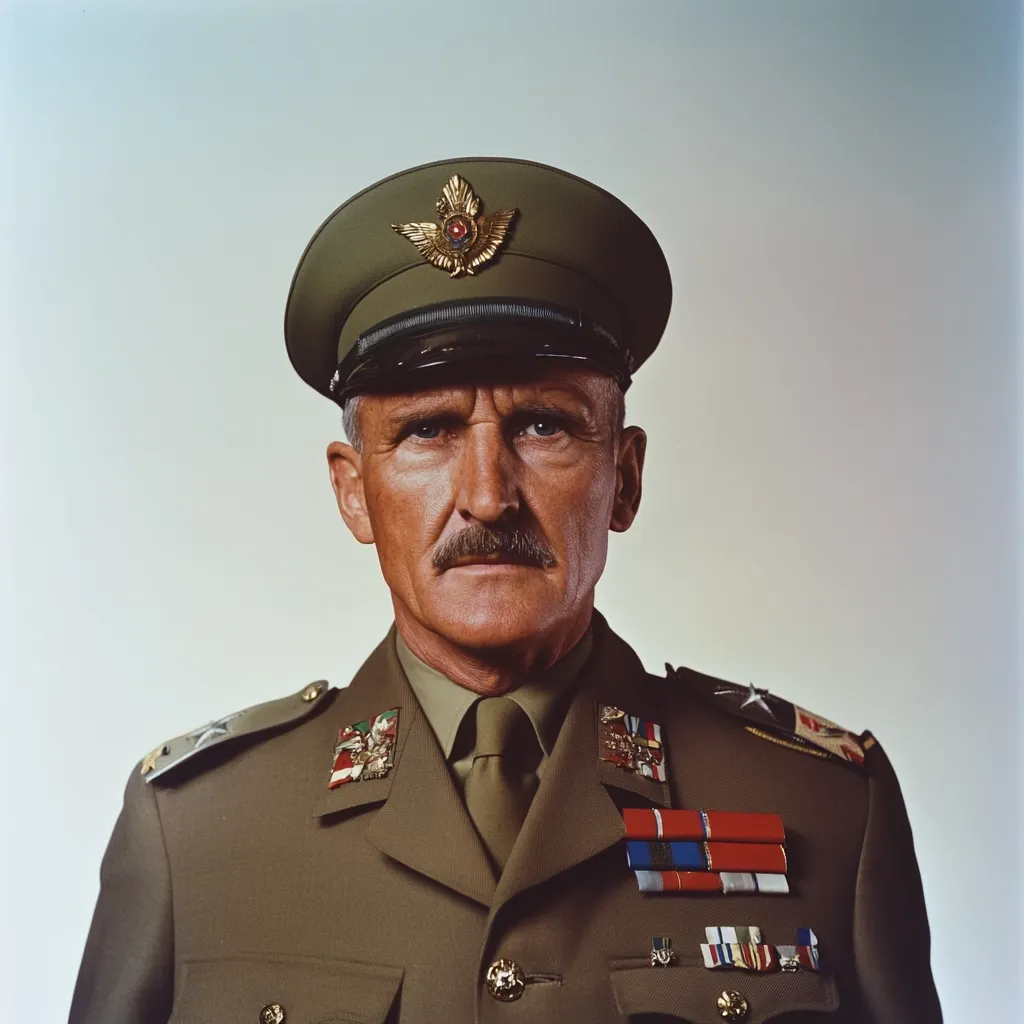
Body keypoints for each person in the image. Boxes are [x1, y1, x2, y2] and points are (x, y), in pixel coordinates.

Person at [69, 157, 942, 1024]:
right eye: (428, 431)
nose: (488, 494)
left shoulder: (827, 812)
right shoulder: (195, 830)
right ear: (353, 491)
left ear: (625, 478)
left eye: (543, 424)